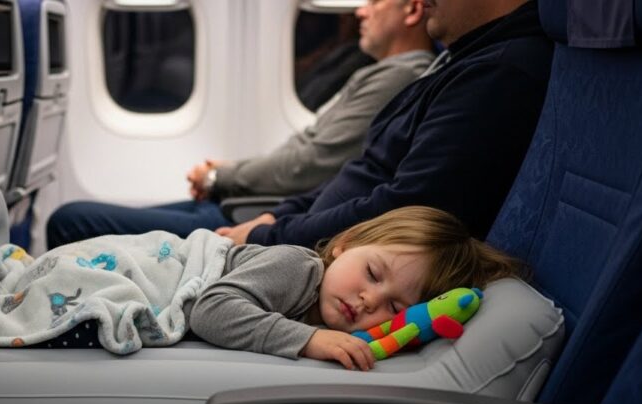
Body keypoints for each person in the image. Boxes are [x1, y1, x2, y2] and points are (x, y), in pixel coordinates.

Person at [46, 0, 437, 248]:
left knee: (70, 219)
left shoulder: (399, 76)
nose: (360, 11)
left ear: (413, 10)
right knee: (82, 215)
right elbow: (306, 146)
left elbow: (311, 161)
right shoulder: (378, 71)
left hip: (252, 213)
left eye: (374, 1)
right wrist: (224, 175)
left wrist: (224, 177)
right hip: (246, 205)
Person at [216, 0, 553, 249]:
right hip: (309, 237)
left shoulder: (500, 74)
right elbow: (364, 170)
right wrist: (280, 216)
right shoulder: (463, 60)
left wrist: (271, 235)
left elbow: (405, 208)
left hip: (343, 262)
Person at [189, 206, 521, 370]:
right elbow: (211, 310)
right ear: (345, 245)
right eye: (373, 273)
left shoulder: (325, 313)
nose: (370, 299)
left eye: (393, 308)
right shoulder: (297, 268)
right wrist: (308, 339)